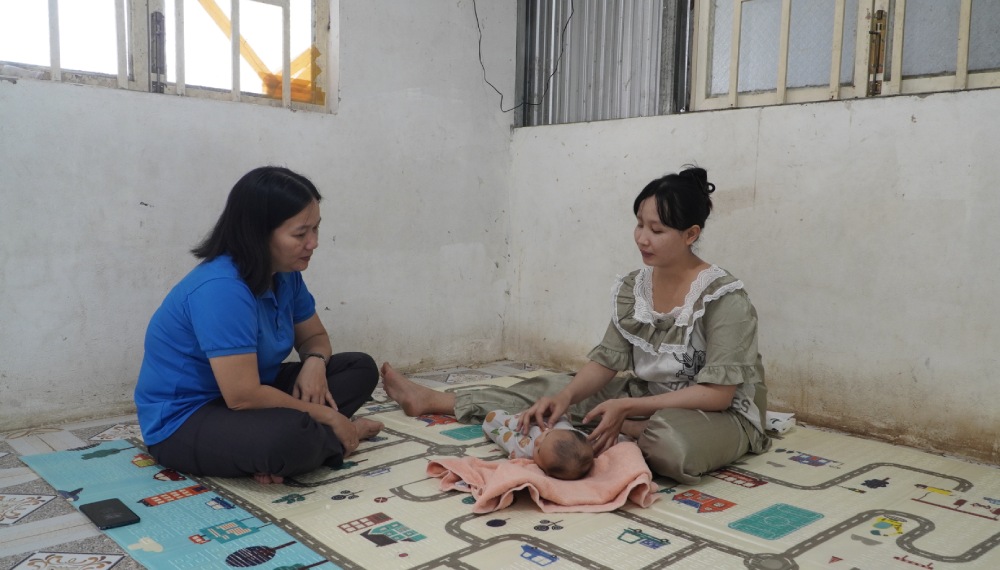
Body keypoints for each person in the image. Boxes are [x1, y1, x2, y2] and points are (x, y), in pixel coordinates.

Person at [382, 166, 769, 484]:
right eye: (639, 224)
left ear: (691, 235)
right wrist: (566, 399)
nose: (642, 238)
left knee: (672, 445)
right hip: (647, 395)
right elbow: (607, 362)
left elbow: (718, 394)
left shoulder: (724, 297)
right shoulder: (635, 287)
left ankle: (632, 427)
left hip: (721, 413)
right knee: (550, 390)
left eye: (657, 230)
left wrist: (629, 407)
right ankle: (434, 400)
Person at [134, 166, 383, 485]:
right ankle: (337, 437)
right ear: (257, 233)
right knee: (288, 438)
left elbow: (315, 337)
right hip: (187, 418)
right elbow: (242, 396)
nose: (313, 243)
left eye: (316, 230)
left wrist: (314, 364)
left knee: (358, 368)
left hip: (252, 396)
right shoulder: (222, 288)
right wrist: (328, 415)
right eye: (300, 234)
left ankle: (293, 448)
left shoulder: (286, 274)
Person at [483, 410, 594, 480]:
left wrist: (508, 427)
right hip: (542, 417)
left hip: (520, 427)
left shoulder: (525, 451)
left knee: (492, 419)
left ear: (546, 471)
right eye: (547, 436)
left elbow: (504, 436)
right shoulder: (572, 434)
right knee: (558, 412)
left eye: (539, 450)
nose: (537, 442)